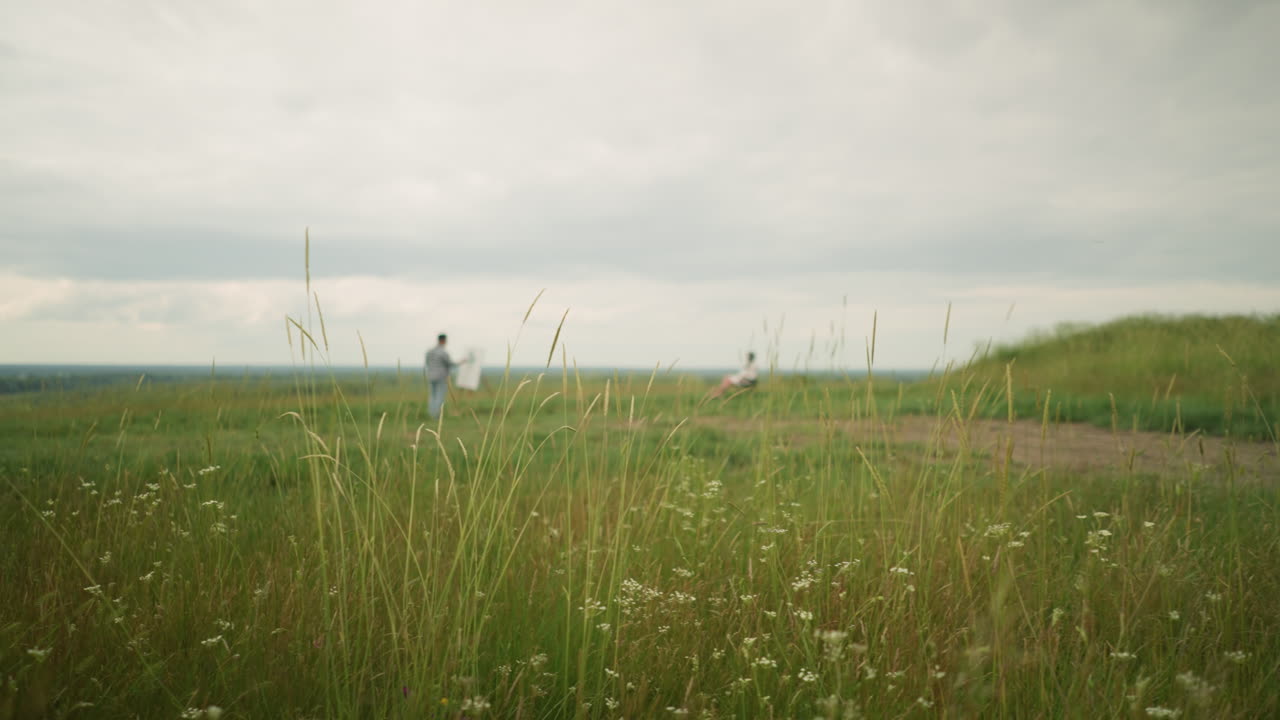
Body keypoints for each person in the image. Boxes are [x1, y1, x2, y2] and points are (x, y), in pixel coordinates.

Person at [425, 333, 458, 418]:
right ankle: (437, 415)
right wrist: (461, 362)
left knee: (432, 396)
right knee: (439, 396)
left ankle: (431, 414)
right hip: (441, 377)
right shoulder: (443, 352)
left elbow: (427, 362)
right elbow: (450, 364)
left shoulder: (430, 351)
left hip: (430, 375)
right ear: (444, 340)